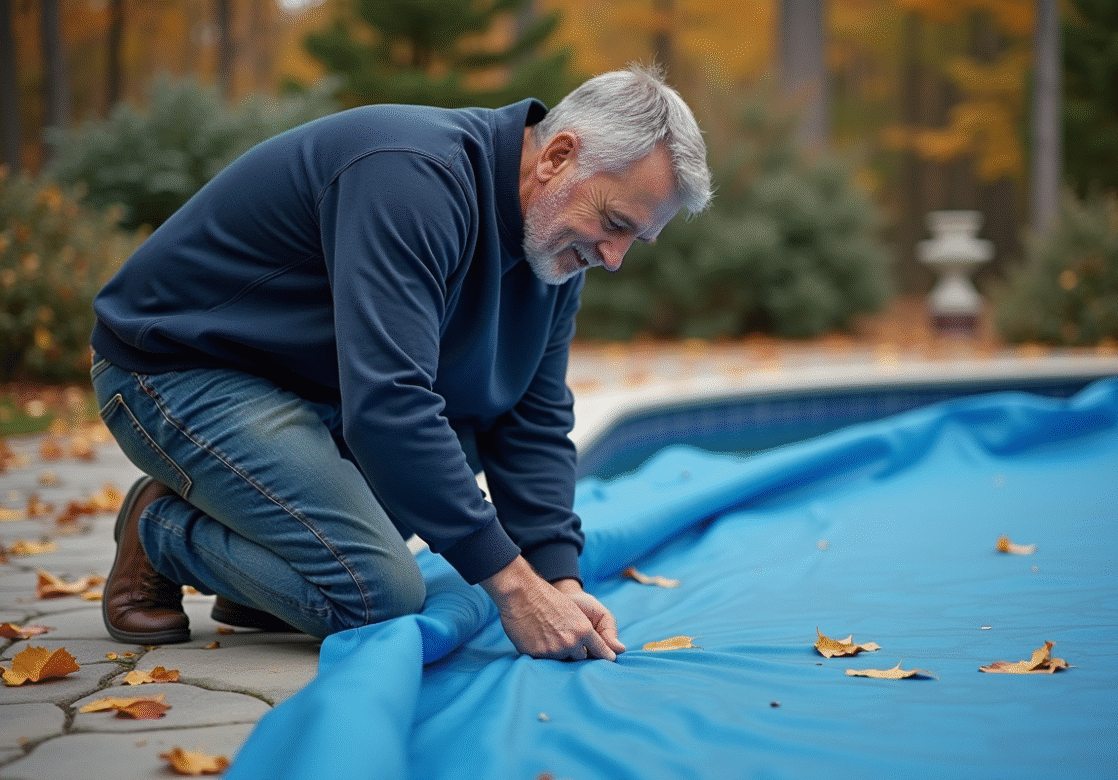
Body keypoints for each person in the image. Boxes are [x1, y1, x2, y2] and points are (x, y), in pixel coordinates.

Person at [90, 63, 711, 662]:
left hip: (315, 389)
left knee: (455, 442)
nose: (614, 257)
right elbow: (389, 404)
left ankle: (260, 554)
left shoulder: (555, 247)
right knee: (378, 592)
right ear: (556, 157)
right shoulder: (411, 175)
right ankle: (163, 530)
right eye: (614, 223)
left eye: (636, 238)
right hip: (178, 369)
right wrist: (515, 588)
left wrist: (559, 581)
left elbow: (530, 416)